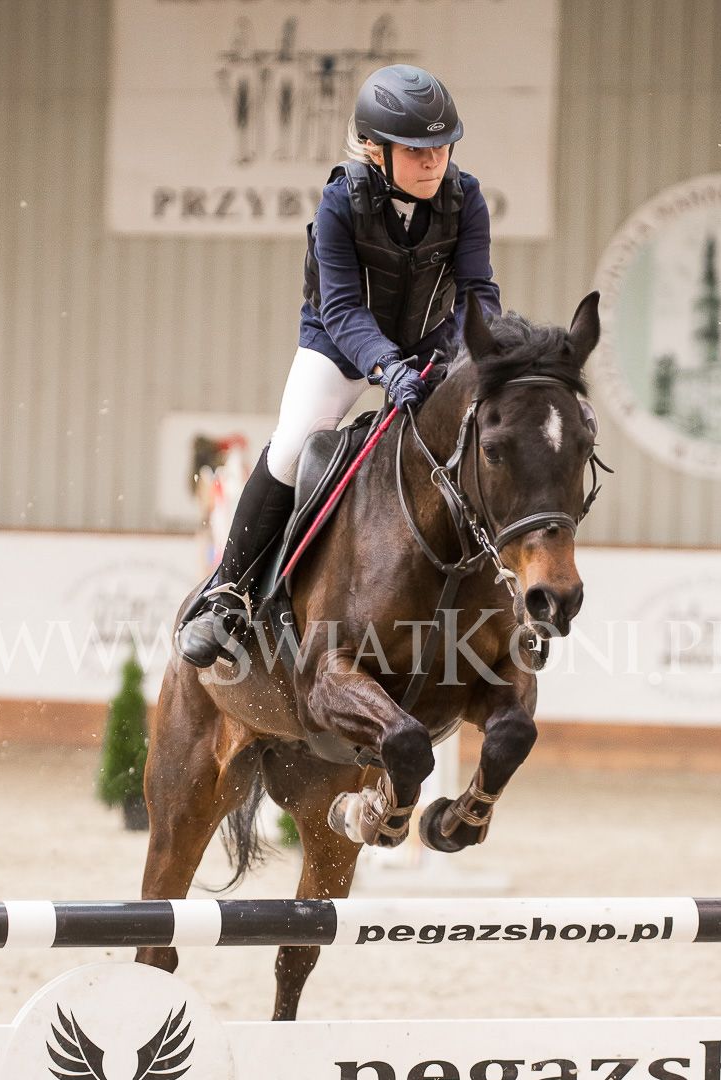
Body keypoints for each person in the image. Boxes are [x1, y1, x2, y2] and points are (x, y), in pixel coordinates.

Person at [177, 63, 502, 668]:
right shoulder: (339, 203)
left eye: (441, 147)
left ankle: (504, 592)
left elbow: (477, 292)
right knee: (293, 445)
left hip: (430, 348)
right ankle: (230, 592)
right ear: (376, 149)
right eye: (416, 150)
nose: (434, 162)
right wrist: (385, 366)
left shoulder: (467, 198)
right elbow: (343, 308)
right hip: (339, 346)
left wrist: (465, 356)